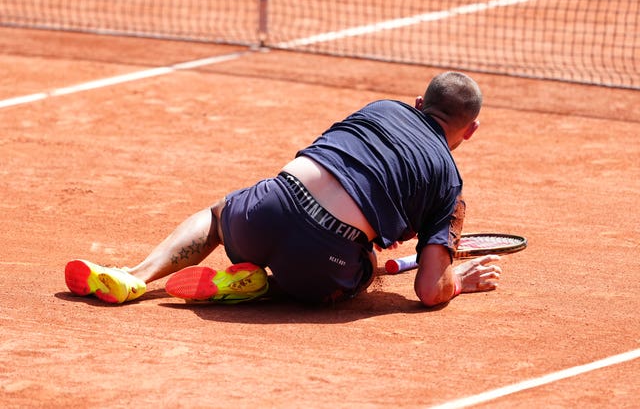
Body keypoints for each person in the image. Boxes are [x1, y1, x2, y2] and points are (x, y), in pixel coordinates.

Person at [65, 71, 502, 307]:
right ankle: (259, 288)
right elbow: (429, 290)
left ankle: (134, 276)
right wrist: (457, 280)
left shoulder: (381, 107)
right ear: (473, 129)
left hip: (273, 202)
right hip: (324, 252)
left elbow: (343, 161)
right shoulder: (449, 180)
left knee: (218, 215)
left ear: (419, 104)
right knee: (364, 268)